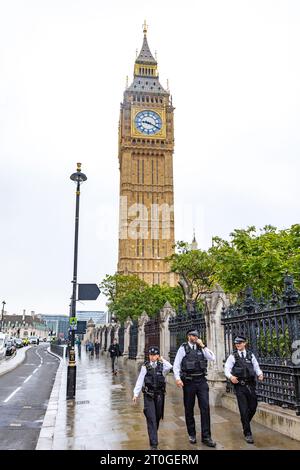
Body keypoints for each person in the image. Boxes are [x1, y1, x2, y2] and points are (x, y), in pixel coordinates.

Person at [173, 328, 217, 448]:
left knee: (205, 408)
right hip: (188, 382)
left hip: (202, 381)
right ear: (188, 336)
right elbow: (176, 365)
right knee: (189, 408)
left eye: (196, 335)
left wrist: (203, 346)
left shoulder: (201, 348)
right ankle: (192, 434)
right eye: (193, 335)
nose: (195, 337)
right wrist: (177, 378)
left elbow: (212, 358)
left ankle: (206, 436)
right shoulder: (183, 348)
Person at [224, 335, 263, 444]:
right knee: (243, 409)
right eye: (236, 343)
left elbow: (256, 367)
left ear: (245, 343)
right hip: (239, 385)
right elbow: (227, 369)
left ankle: (244, 422)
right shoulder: (233, 356)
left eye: (240, 343)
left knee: (253, 407)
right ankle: (247, 433)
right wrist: (231, 377)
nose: (238, 344)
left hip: (250, 385)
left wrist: (260, 374)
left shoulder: (250, 355)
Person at [132, 346, 172, 450]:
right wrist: (135, 394)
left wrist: (162, 359)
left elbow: (169, 366)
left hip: (159, 396)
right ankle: (154, 444)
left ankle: (153, 431)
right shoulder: (145, 366)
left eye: (154, 355)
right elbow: (140, 380)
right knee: (151, 418)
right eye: (150, 355)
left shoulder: (162, 366)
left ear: (158, 356)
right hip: (148, 396)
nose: (152, 357)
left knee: (158, 416)